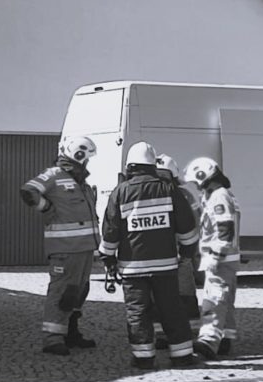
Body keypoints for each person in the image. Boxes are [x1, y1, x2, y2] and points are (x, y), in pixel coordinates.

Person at [99, 142, 200, 369]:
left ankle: (143, 358)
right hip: (165, 267)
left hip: (132, 268)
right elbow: (187, 226)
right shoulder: (169, 189)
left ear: (130, 166)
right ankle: (182, 355)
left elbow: (110, 230)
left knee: (138, 312)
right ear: (152, 165)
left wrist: (108, 259)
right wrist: (186, 253)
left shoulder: (121, 192)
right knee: (172, 309)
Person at [20, 136, 102, 356]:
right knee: (61, 292)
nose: (87, 163)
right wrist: (47, 209)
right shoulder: (55, 175)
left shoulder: (79, 180)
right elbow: (28, 191)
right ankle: (52, 338)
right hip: (65, 248)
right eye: (87, 158)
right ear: (79, 155)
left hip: (84, 248)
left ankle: (71, 333)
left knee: (79, 291)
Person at [185, 157, 241, 359]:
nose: (196, 186)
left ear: (203, 176)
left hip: (219, 258)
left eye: (196, 182)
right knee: (225, 301)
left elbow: (225, 230)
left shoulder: (219, 196)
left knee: (214, 299)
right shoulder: (221, 195)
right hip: (225, 257)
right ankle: (225, 338)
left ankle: (208, 342)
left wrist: (215, 257)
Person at [152, 154, 203, 347]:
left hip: (158, 256)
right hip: (180, 254)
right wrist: (191, 251)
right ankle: (188, 333)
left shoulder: (146, 192)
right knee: (184, 295)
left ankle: (162, 335)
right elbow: (196, 223)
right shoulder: (185, 194)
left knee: (159, 296)